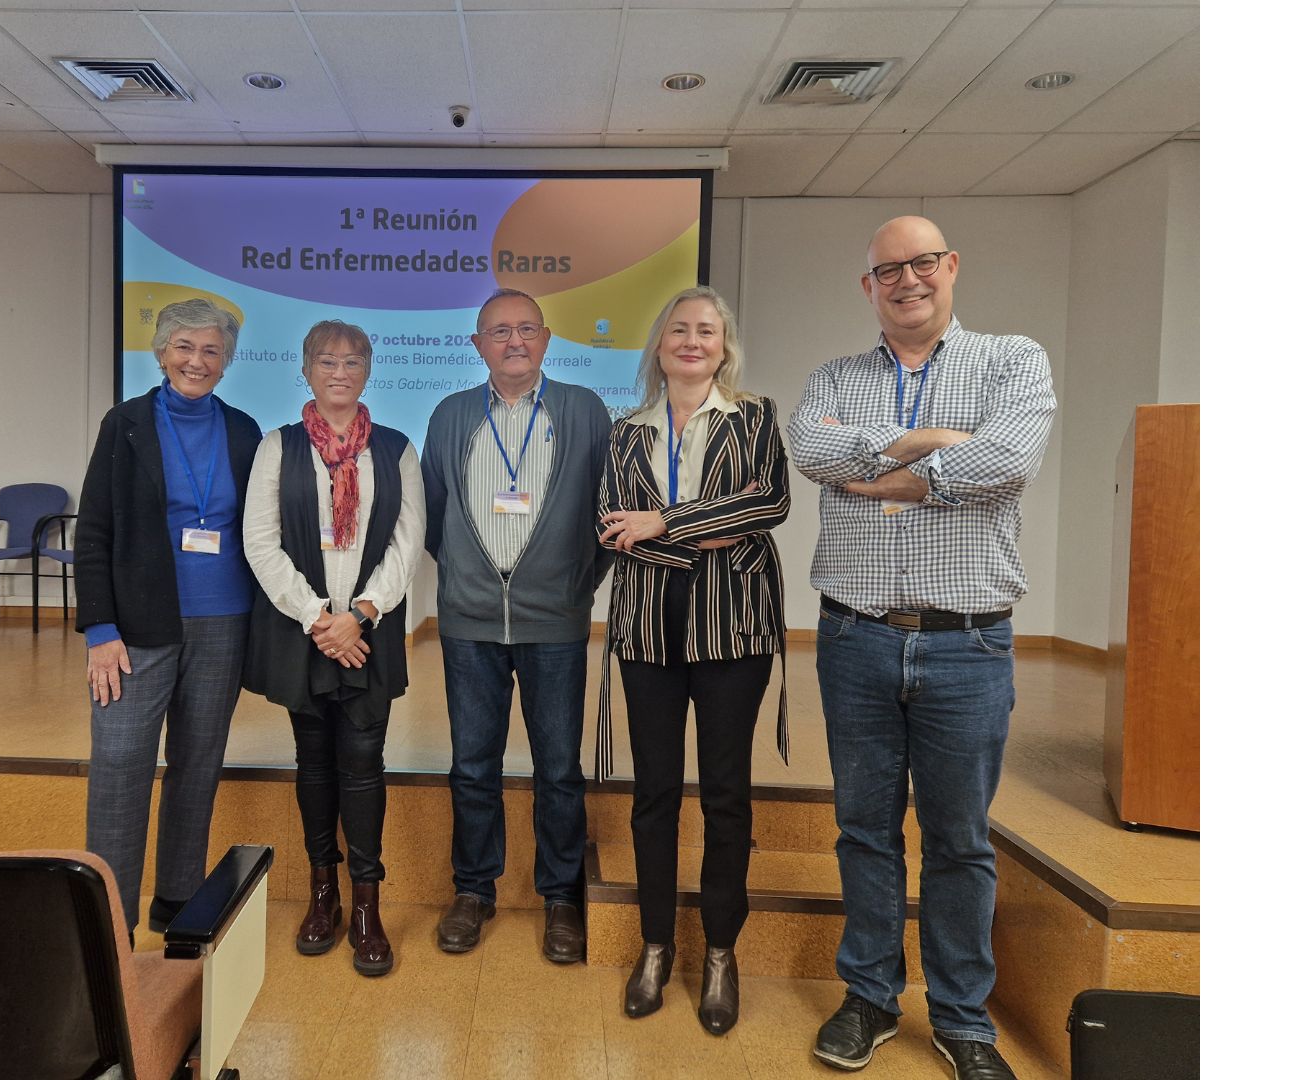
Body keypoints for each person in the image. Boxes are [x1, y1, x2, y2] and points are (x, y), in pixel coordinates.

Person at [786, 216, 1056, 1080]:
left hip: (966, 646)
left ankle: (961, 1019)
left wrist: (885, 468)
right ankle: (869, 996)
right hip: (854, 639)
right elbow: (812, 449)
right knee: (864, 830)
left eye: (922, 263)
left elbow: (1009, 462)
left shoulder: (1013, 361)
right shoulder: (834, 375)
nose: (907, 280)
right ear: (868, 286)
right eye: (887, 269)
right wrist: (940, 446)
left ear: (951, 267)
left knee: (959, 839)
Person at [597, 286, 791, 1036]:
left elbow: (767, 503)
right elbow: (613, 525)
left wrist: (663, 525)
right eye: (678, 327)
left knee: (725, 795)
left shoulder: (754, 417)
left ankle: (718, 952)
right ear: (659, 343)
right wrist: (705, 534)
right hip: (646, 631)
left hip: (732, 634)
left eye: (705, 330)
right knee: (653, 794)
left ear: (723, 345)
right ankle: (654, 945)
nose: (691, 340)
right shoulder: (624, 432)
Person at [421, 288, 611, 963]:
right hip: (470, 623)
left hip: (555, 623)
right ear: (478, 345)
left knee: (558, 767)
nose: (514, 340)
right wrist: (475, 581)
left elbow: (607, 512)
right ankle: (473, 890)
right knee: (473, 765)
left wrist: (570, 588)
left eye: (526, 328)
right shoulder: (448, 416)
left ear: (547, 338)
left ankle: (561, 897)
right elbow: (434, 514)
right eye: (499, 331)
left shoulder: (585, 411)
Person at [75, 297, 263, 943]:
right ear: (161, 354)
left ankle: (178, 900)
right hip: (136, 627)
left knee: (198, 763)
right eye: (184, 347)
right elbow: (94, 531)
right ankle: (112, 919)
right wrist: (99, 630)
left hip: (224, 620)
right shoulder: (124, 425)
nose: (197, 361)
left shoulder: (243, 431)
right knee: (121, 764)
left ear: (227, 361)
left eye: (211, 350)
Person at [242, 320, 424, 977]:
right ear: (307, 369)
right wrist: (320, 618)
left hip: (368, 640)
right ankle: (323, 895)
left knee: (363, 764)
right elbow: (260, 541)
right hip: (305, 636)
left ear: (368, 370)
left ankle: (367, 904)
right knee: (313, 763)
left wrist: (363, 615)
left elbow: (408, 544)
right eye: (326, 360)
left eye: (351, 361)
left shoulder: (398, 450)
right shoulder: (278, 447)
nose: (339, 370)